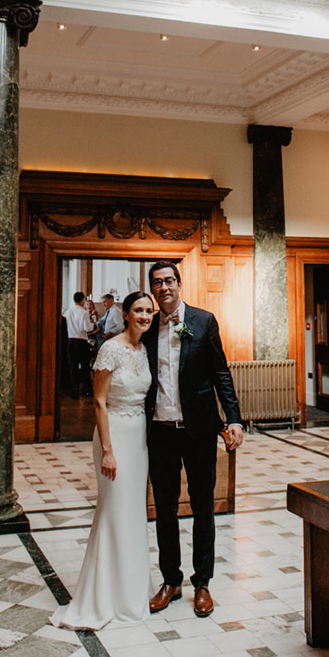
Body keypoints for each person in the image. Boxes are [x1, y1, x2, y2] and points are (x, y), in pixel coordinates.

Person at [51, 290, 157, 631]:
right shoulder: (110, 348)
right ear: (125, 313)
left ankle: (131, 592)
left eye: (148, 311)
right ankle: (102, 594)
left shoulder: (144, 350)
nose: (144, 316)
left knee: (132, 512)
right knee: (113, 510)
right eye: (138, 310)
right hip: (114, 435)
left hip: (138, 435)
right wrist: (108, 450)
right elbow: (98, 401)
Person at [143, 260, 243, 619]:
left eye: (169, 280)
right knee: (164, 511)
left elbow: (221, 372)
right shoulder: (147, 325)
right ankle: (171, 580)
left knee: (204, 508)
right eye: (157, 282)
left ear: (179, 283)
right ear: (152, 289)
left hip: (199, 431)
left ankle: (203, 583)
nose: (164, 287)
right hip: (160, 433)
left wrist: (233, 418)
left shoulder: (203, 321)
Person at [61, 291, 95, 397]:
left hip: (70, 341)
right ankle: (87, 390)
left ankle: (74, 391)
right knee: (85, 366)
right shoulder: (84, 312)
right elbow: (87, 328)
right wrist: (93, 325)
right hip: (81, 341)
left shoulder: (68, 312)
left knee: (73, 367)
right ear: (82, 300)